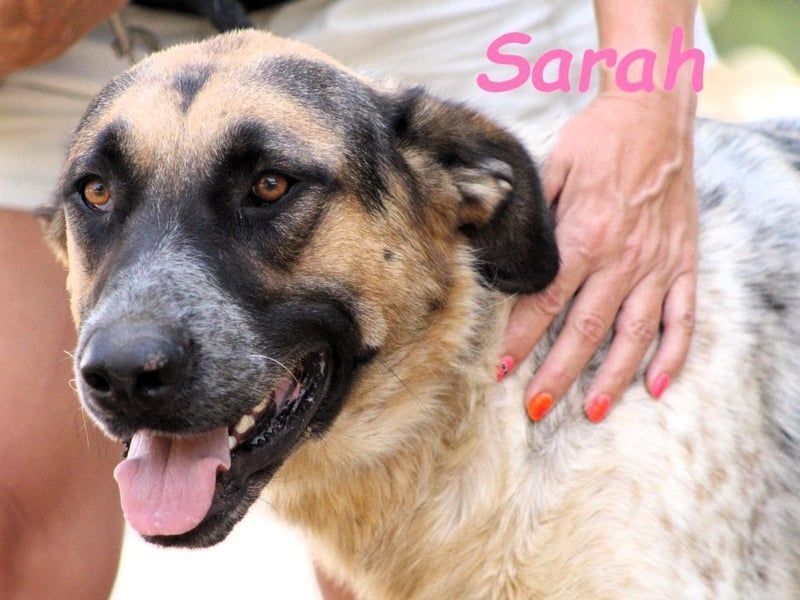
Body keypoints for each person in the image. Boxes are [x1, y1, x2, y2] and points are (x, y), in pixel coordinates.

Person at [0, 0, 712, 596]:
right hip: (58, 33)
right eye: (97, 194)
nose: (131, 352)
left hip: (433, 14)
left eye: (268, 188)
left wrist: (646, 105)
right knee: (15, 524)